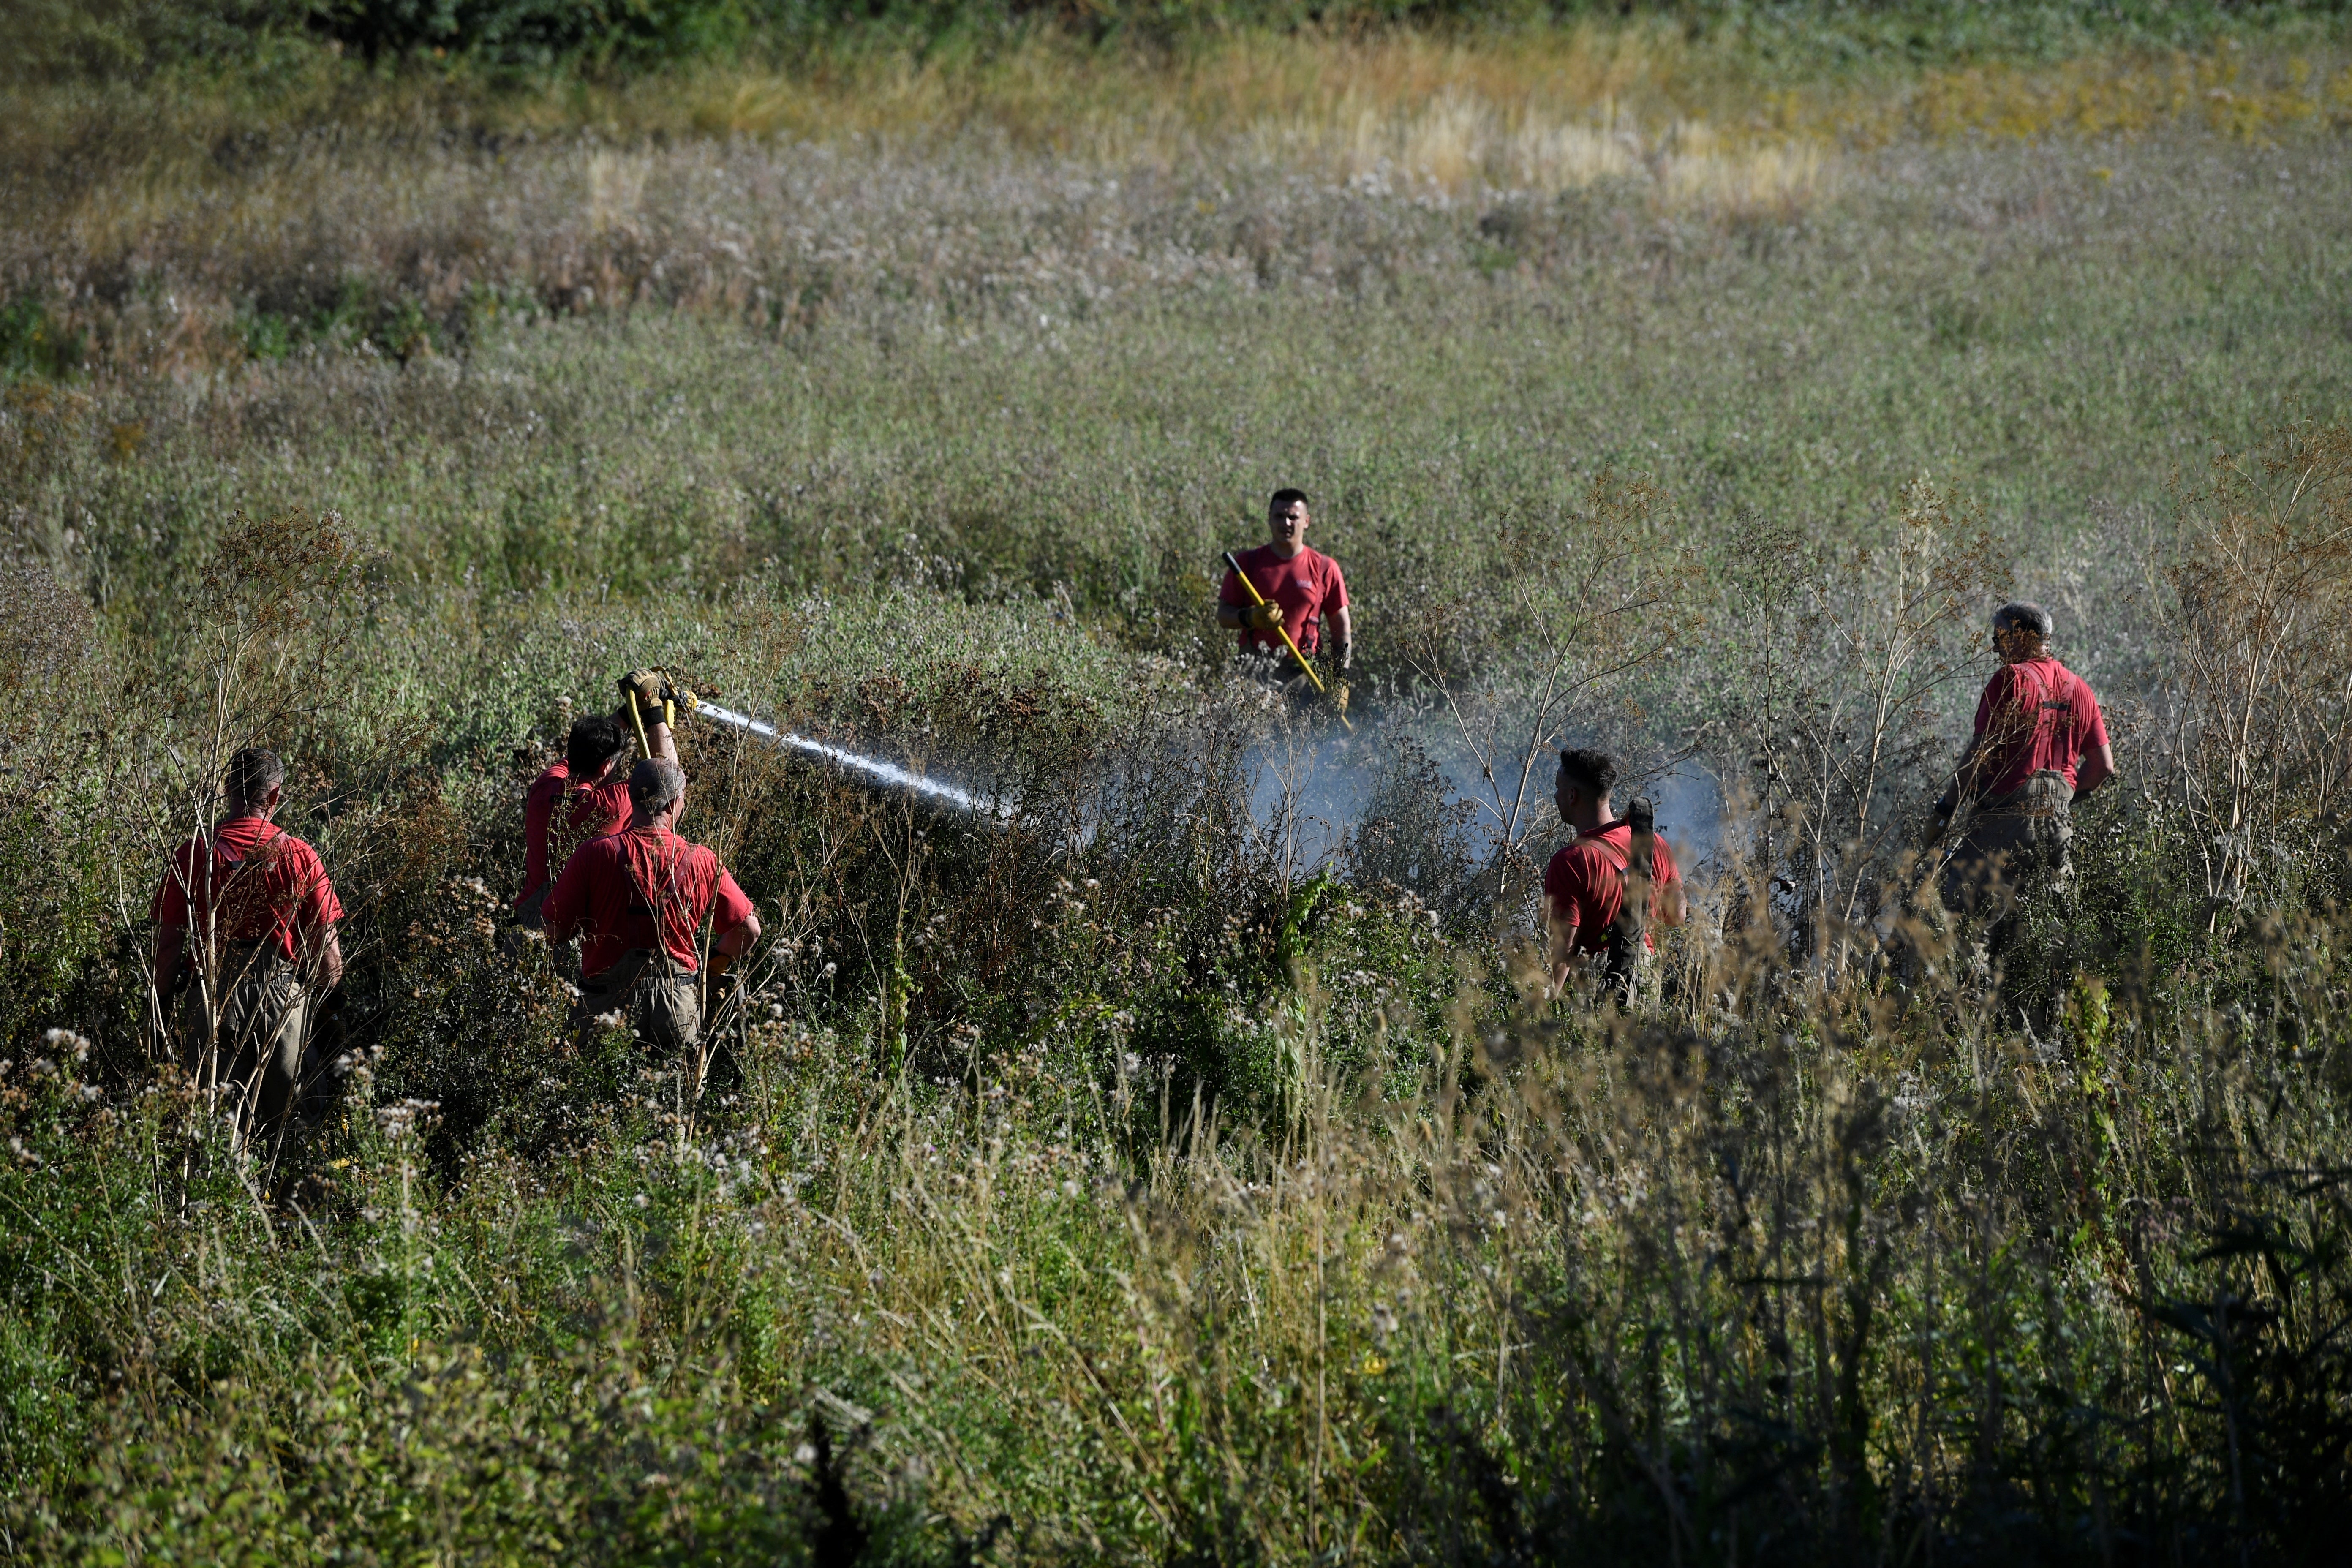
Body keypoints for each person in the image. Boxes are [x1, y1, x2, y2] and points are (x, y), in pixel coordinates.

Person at [152, 746, 345, 1146]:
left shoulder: (193, 855)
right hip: (281, 1003)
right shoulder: (300, 856)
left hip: (210, 1001)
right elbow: (329, 962)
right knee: (295, 1135)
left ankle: (220, 1208)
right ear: (273, 797)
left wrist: (161, 1011)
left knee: (217, 1140)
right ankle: (294, 1208)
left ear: (227, 791)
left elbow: (168, 947)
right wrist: (324, 1014)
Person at [542, 755, 760, 1059]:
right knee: (673, 1100)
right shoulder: (703, 859)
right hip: (677, 1010)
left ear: (632, 798)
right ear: (674, 804)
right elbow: (748, 929)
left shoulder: (594, 854)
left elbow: (555, 931)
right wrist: (713, 968)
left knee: (596, 1098)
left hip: (605, 1009)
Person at [1933, 601, 2114, 914]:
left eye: (1999, 638)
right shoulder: (2080, 689)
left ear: (2020, 638)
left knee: (1962, 920)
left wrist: (1946, 809)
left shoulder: (2011, 680)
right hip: (2058, 829)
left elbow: (1977, 755)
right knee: (2039, 934)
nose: (1996, 650)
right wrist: (2058, 805)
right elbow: (2103, 768)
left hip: (2003, 825)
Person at [516, 671, 680, 928]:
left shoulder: (543, 787)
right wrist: (652, 708)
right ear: (605, 768)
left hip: (528, 925)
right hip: (572, 929)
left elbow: (592, 744)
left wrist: (629, 710)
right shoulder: (609, 805)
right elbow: (667, 776)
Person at [1542, 748, 1687, 1002]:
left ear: (1572, 795)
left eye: (1558, 787)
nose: (1555, 795)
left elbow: (1562, 956)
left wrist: (1539, 1012)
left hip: (1599, 998)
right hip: (1646, 991)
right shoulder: (1655, 844)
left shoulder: (1570, 862)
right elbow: (1678, 916)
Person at [1218, 488, 1352, 704]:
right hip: (1255, 675)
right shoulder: (1247, 564)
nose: (1286, 523)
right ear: (1269, 519)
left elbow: (1342, 630)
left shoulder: (1325, 568)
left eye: (1293, 517)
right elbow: (1223, 615)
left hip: (1305, 678)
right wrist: (1250, 617)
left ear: (1306, 521)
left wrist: (1340, 681)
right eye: (1279, 516)